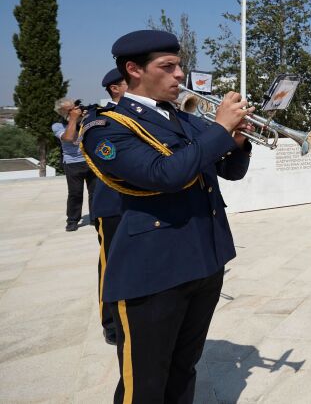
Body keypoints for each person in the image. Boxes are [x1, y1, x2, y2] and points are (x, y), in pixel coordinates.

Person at [79, 30, 253, 404]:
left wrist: (237, 141)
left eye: (179, 65)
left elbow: (230, 172)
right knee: (144, 384)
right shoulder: (107, 127)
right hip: (153, 273)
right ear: (133, 70)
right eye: (168, 66)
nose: (179, 74)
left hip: (205, 261)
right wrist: (220, 129)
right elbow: (164, 175)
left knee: (183, 369)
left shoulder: (185, 120)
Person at [89, 68, 128, 345]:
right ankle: (110, 322)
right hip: (112, 204)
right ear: (115, 88)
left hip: (141, 204)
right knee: (111, 264)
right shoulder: (100, 120)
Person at [52, 98, 97, 231]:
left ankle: (95, 217)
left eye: (75, 107)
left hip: (90, 160)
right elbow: (69, 138)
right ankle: (72, 220)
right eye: (70, 110)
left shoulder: (85, 119)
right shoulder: (57, 125)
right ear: (62, 112)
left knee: (95, 192)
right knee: (75, 193)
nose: (75, 110)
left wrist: (88, 116)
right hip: (72, 163)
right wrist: (73, 119)